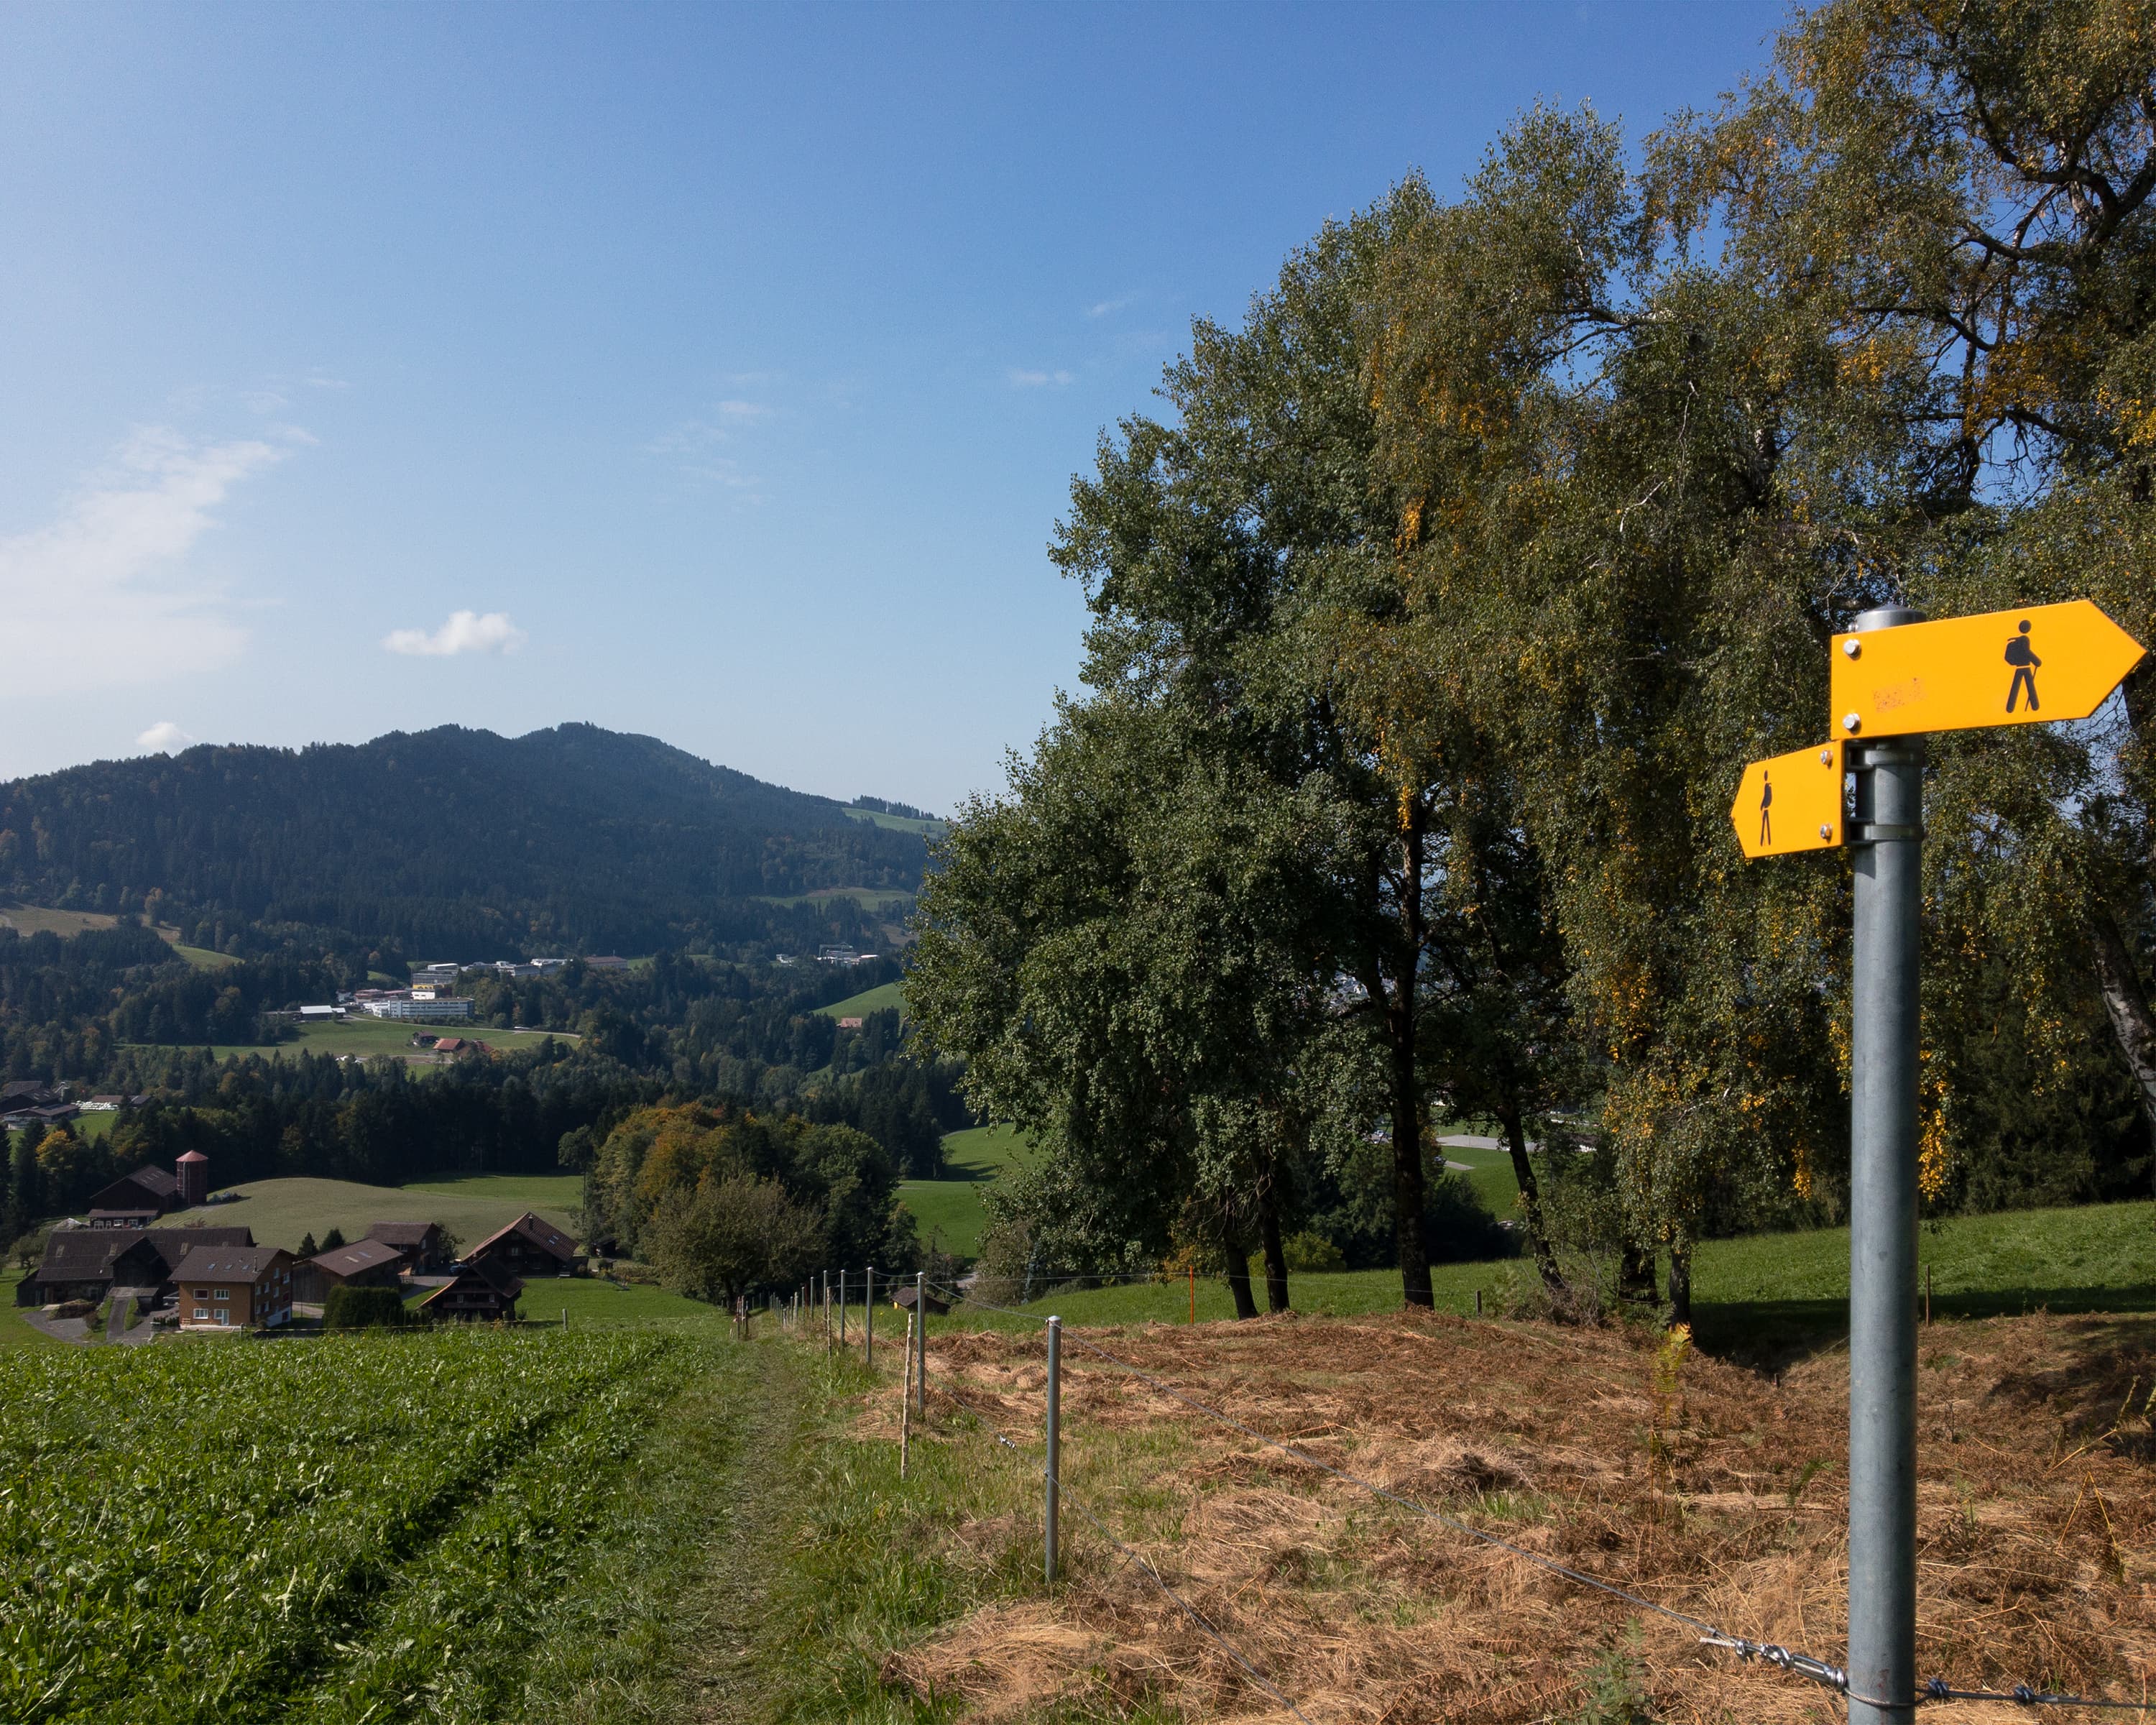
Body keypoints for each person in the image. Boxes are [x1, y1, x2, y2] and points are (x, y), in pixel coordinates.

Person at [2005, 619, 2041, 712]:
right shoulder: (2024, 639)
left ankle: (2010, 708)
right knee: (2030, 686)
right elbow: (2027, 651)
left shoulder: (2015, 641)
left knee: (2016, 686)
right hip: (2026, 667)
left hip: (2019, 667)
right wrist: (2037, 661)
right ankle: (2035, 706)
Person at [1758, 769, 1773, 846]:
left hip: (1766, 806)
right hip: (1767, 805)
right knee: (1765, 823)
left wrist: (1762, 805)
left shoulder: (1767, 785)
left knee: (1765, 823)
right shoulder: (1769, 785)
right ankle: (1766, 842)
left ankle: (1765, 842)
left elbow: (1765, 796)